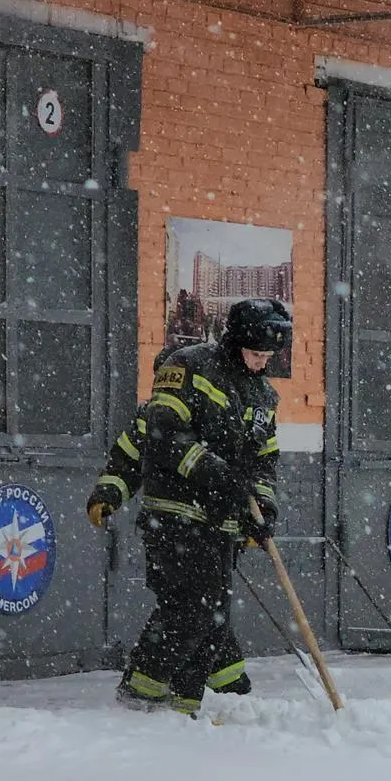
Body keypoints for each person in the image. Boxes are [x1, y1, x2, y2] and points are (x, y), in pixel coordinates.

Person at [85, 298, 290, 716]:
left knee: (212, 614)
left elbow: (264, 461)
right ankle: (141, 693)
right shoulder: (191, 367)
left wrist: (262, 509)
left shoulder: (263, 396)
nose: (259, 364)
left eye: (267, 357)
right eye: (254, 354)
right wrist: (111, 492)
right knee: (190, 612)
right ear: (235, 343)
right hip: (175, 516)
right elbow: (157, 439)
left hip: (221, 524)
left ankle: (192, 702)